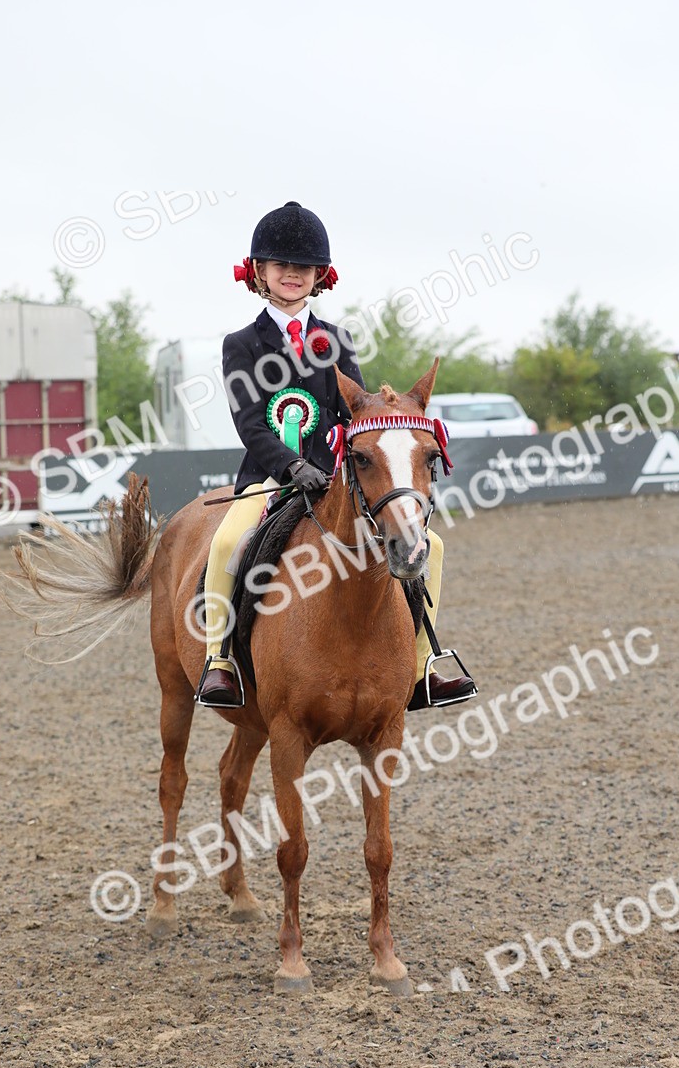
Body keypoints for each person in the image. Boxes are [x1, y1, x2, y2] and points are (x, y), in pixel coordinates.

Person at [197, 201, 475, 711]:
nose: (291, 274)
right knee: (227, 544)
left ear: (318, 276)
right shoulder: (241, 345)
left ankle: (420, 669)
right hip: (270, 479)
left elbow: (359, 414)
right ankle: (222, 662)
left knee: (428, 545)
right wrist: (291, 466)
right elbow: (250, 423)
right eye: (281, 266)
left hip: (336, 482)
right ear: (259, 272)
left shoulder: (338, 341)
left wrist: (353, 458)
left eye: (302, 267)